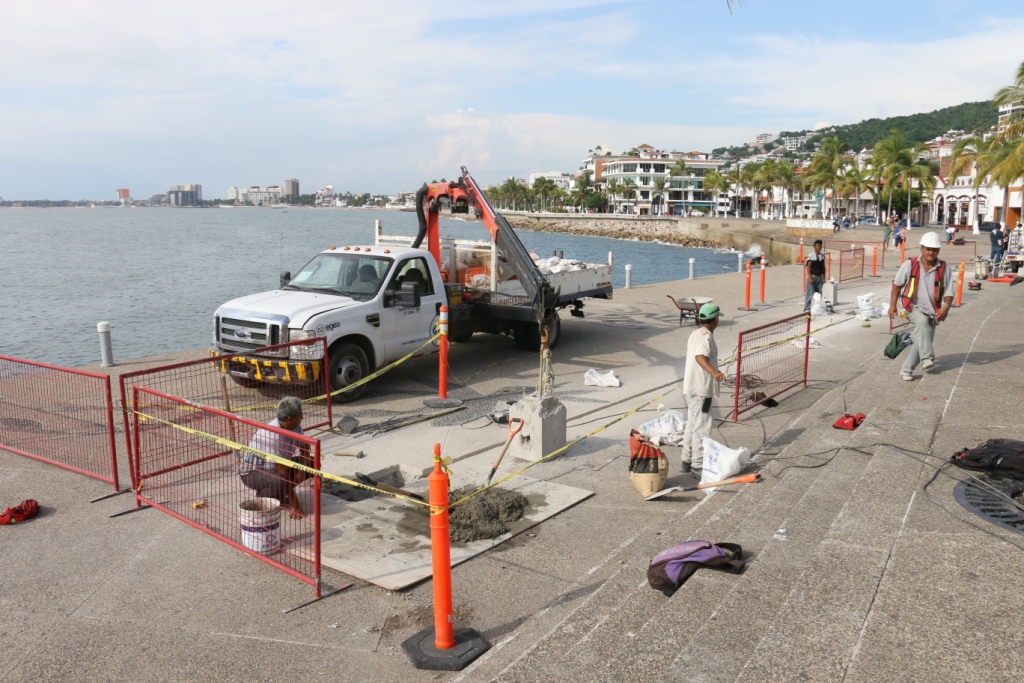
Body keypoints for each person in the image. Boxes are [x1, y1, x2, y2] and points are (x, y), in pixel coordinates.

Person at [889, 232, 954, 381]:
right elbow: (897, 285)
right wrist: (893, 305)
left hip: (933, 310)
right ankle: (927, 358)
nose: (931, 252)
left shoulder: (944, 268)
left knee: (922, 340)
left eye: (934, 249)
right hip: (911, 306)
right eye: (928, 249)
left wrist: (946, 307)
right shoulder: (910, 264)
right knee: (922, 324)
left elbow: (949, 291)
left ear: (938, 251)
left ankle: (906, 370)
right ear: (921, 249)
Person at [239, 397, 313, 517]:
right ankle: (264, 497)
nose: (302, 418)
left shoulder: (295, 427)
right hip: (252, 473)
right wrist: (296, 504)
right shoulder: (272, 434)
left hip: (276, 467)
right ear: (290, 419)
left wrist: (303, 469)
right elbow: (282, 471)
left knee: (312, 464)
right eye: (300, 415)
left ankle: (279, 494)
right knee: (280, 480)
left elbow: (305, 446)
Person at [680, 304, 726, 476]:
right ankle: (698, 465)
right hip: (701, 390)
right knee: (702, 427)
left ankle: (686, 459)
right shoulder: (706, 336)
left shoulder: (695, 333)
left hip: (691, 388)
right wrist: (714, 372)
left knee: (692, 424)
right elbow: (700, 356)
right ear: (716, 319)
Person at [804, 240, 827, 312]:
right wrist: (810, 278)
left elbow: (823, 267)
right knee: (809, 293)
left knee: (819, 295)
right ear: (814, 247)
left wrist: (824, 277)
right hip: (813, 277)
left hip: (820, 278)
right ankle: (807, 308)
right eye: (817, 246)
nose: (818, 247)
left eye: (820, 245)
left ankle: (817, 307)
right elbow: (808, 267)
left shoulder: (822, 256)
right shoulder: (811, 256)